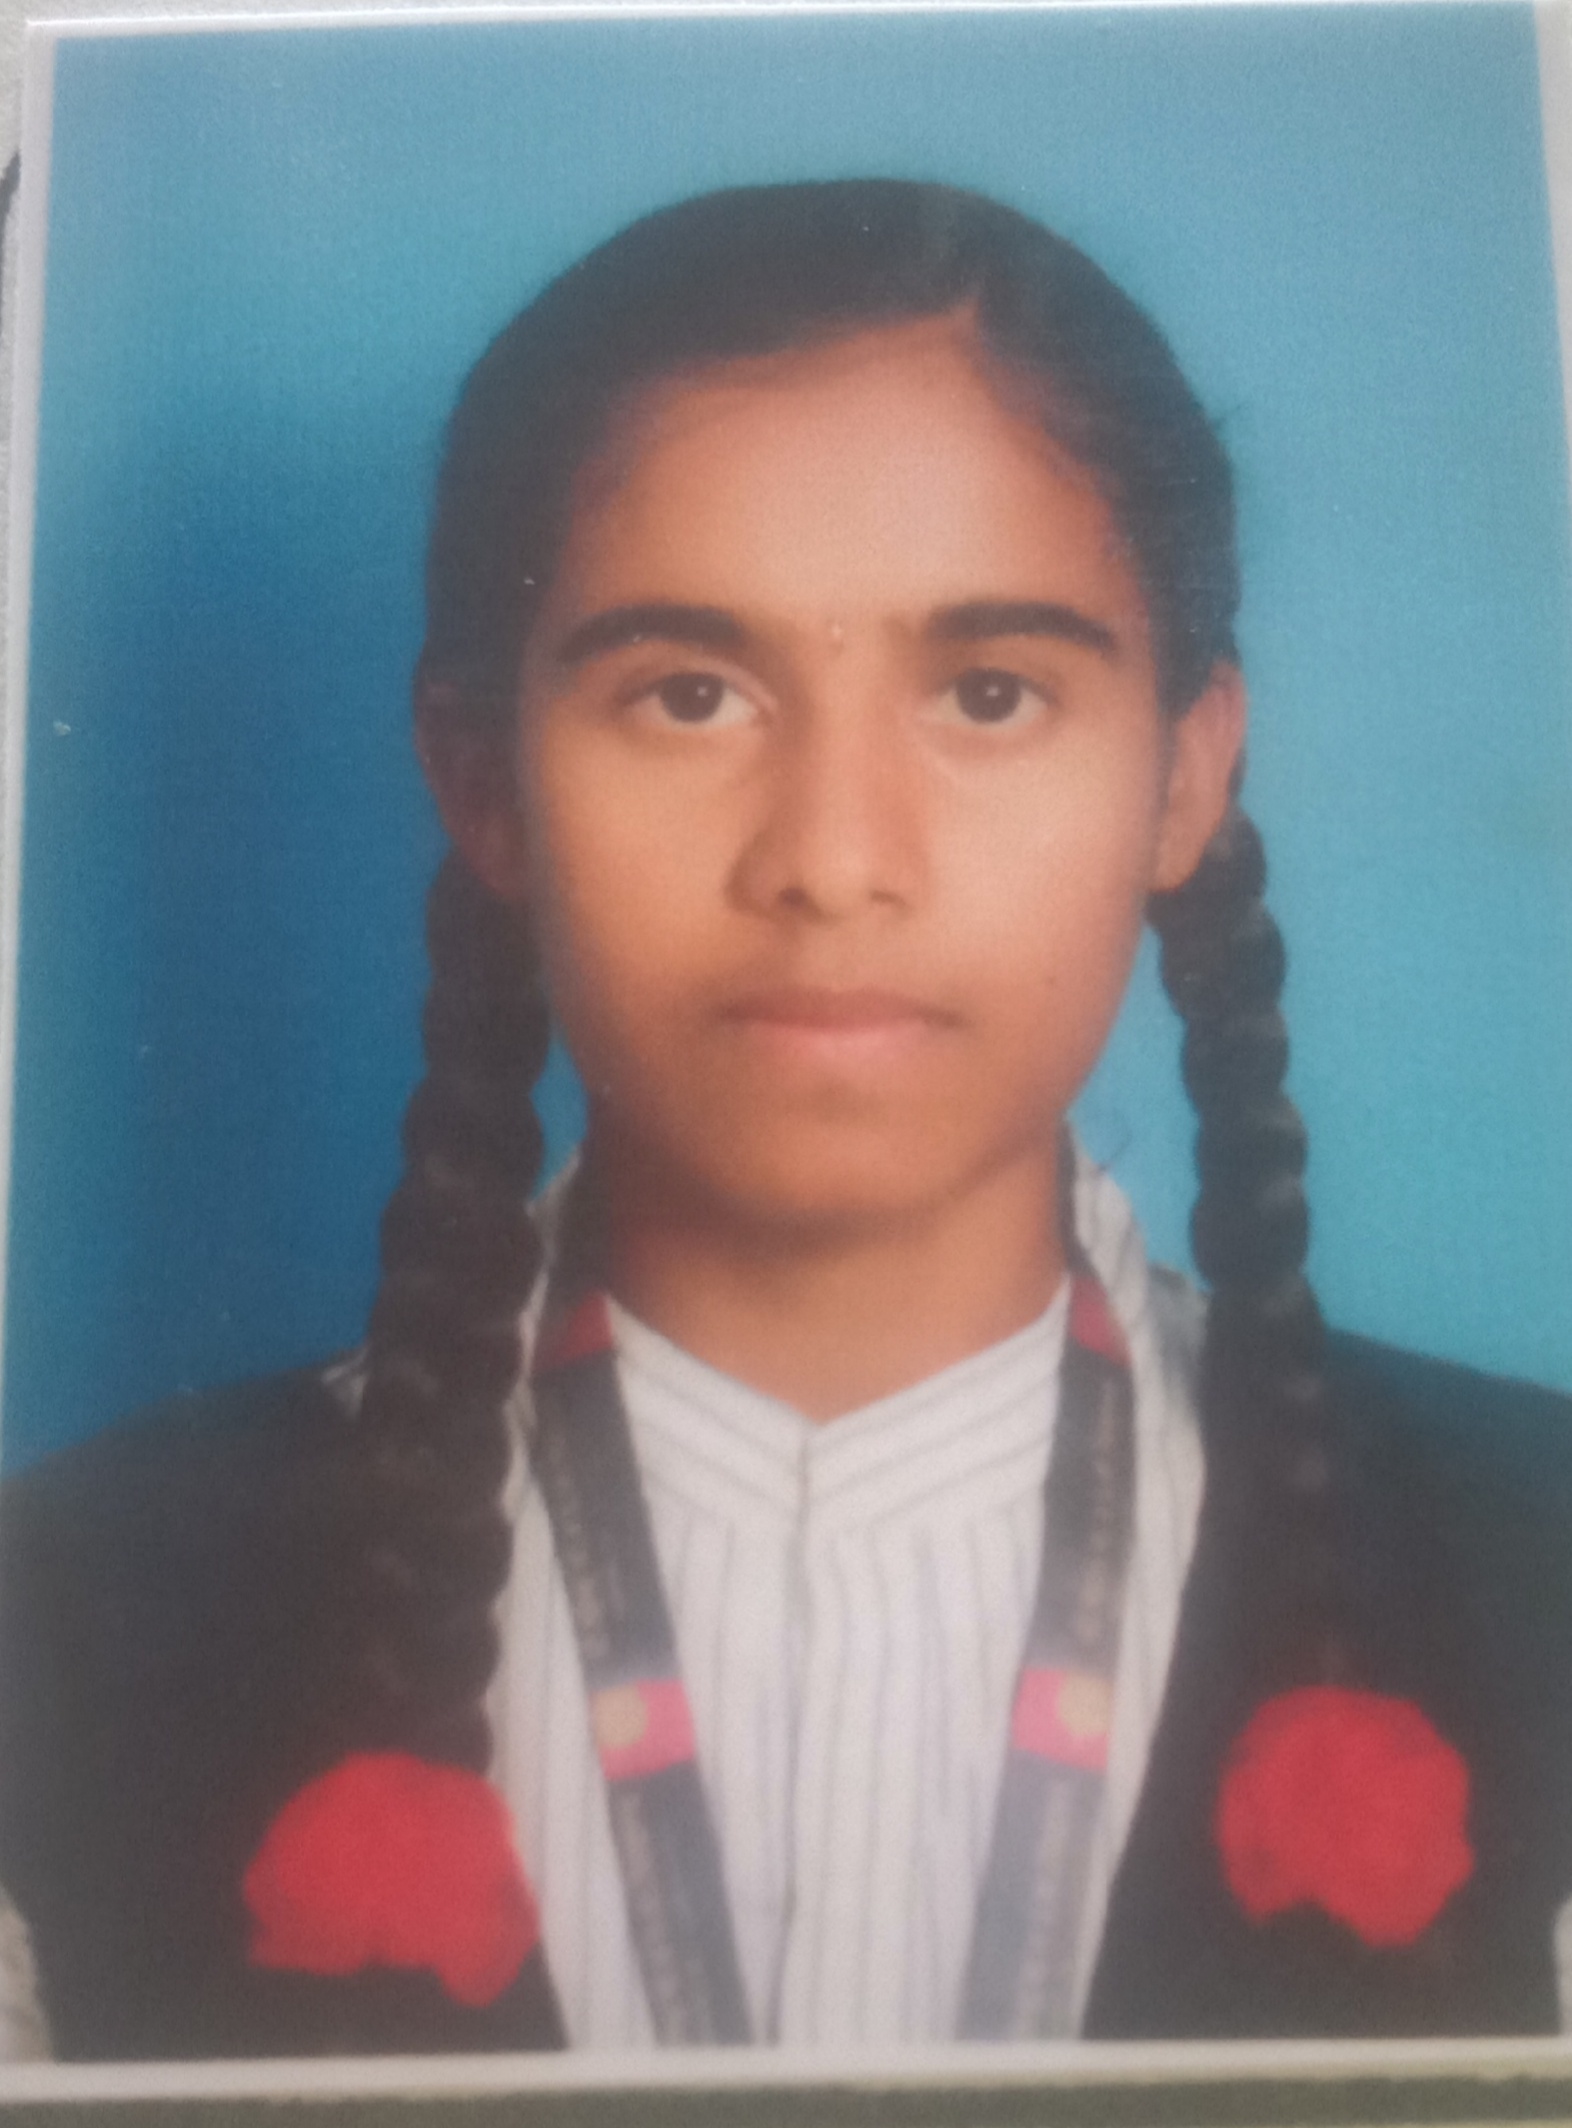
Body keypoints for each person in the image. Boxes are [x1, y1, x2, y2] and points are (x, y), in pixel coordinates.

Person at [1, 180, 1570, 2062]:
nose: (832, 858)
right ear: (483, 782)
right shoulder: (67, 1607)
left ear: (1185, 774)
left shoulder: (1537, 1560)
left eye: (989, 692)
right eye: (689, 695)